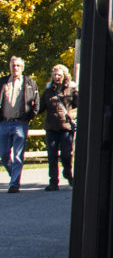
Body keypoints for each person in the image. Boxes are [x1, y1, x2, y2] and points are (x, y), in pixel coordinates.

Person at [0, 56, 40, 193]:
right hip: (4, 122)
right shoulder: (3, 82)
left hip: (20, 124)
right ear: (10, 67)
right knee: (4, 155)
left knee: (17, 155)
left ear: (22, 67)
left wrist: (29, 118)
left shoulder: (29, 82)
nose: (15, 68)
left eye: (18, 65)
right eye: (13, 65)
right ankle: (14, 176)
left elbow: (36, 103)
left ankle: (14, 184)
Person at [42, 64, 78, 191]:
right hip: (51, 127)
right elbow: (41, 107)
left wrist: (72, 114)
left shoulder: (72, 90)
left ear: (64, 76)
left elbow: (79, 106)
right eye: (55, 75)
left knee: (66, 155)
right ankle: (53, 181)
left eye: (59, 75)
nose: (57, 77)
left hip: (66, 127)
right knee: (52, 156)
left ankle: (68, 173)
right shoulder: (48, 91)